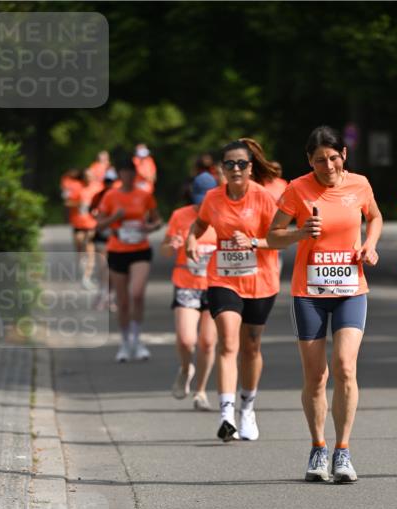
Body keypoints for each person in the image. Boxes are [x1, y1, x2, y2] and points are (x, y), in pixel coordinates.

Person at [267, 125, 382, 483]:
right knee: (317, 377)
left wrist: (371, 245)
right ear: (309, 161)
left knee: (346, 366)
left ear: (343, 156)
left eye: (333, 158)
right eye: (320, 160)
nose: (328, 166)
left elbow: (374, 217)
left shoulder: (359, 184)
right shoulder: (297, 189)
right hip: (310, 294)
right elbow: (272, 237)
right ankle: (318, 447)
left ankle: (342, 451)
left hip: (350, 289)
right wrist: (300, 233)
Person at [186, 139, 280, 442]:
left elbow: (279, 237)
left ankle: (247, 408)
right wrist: (190, 239)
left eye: (241, 163)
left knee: (251, 346)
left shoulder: (264, 198)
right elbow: (200, 225)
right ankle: (226, 414)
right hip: (223, 278)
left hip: (261, 280)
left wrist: (254, 242)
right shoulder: (213, 198)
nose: (235, 169)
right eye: (229, 164)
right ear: (221, 169)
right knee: (228, 341)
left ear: (251, 168)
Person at [162, 170, 219, 409]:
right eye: (197, 201)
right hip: (186, 284)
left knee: (207, 342)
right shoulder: (180, 216)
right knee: (186, 340)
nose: (200, 206)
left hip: (215, 285)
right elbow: (165, 250)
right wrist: (172, 245)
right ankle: (186, 368)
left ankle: (201, 391)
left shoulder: (223, 216)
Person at [96, 157, 162, 362]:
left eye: (131, 172)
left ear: (135, 174)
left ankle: (136, 339)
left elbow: (157, 220)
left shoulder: (145, 195)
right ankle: (125, 343)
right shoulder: (110, 196)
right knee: (123, 301)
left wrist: (151, 227)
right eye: (124, 172)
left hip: (140, 249)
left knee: (137, 293)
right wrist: (115, 218)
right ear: (119, 174)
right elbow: (98, 225)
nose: (128, 176)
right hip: (117, 249)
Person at [64, 168, 101, 288]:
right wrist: (79, 203)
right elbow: (67, 202)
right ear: (83, 177)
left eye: (91, 176)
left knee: (89, 247)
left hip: (91, 224)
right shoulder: (76, 187)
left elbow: (104, 202)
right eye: (86, 176)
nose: (88, 179)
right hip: (78, 223)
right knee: (80, 247)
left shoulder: (97, 188)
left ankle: (87, 277)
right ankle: (84, 270)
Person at [90, 167, 118, 310]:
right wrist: (98, 217)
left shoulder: (119, 196)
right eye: (107, 181)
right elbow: (91, 210)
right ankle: (102, 294)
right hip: (101, 235)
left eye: (111, 181)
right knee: (102, 267)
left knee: (112, 268)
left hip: (116, 237)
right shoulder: (98, 196)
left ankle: (110, 298)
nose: (109, 184)